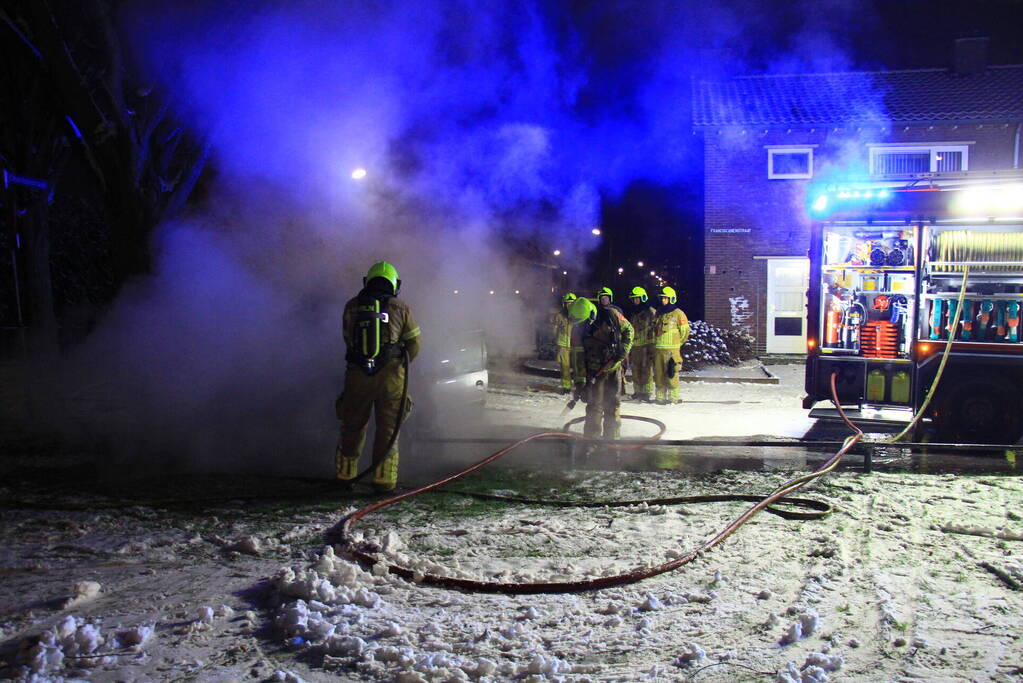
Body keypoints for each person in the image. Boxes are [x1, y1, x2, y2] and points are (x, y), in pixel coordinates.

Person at [335, 261, 421, 492]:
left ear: (367, 281)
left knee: (352, 424)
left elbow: (347, 339)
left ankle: (345, 476)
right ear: (395, 284)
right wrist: (399, 363)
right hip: (391, 377)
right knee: (388, 428)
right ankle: (383, 481)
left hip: (357, 375)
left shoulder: (351, 306)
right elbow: (414, 343)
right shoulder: (401, 308)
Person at [568, 295, 634, 440]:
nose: (583, 326)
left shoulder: (612, 315)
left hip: (613, 368)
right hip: (594, 373)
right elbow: (578, 358)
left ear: (592, 314)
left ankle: (612, 440)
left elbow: (629, 330)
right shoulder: (578, 329)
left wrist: (623, 350)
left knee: (612, 404)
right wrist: (580, 383)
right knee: (594, 406)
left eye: (585, 322)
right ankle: (591, 440)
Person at [651, 285, 690, 405]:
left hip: (672, 351)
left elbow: (685, 332)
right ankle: (660, 398)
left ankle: (674, 398)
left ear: (671, 299)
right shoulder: (658, 313)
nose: (663, 300)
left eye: (665, 298)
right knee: (659, 375)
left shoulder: (679, 313)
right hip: (658, 350)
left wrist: (677, 344)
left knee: (672, 374)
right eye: (662, 298)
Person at [627, 286, 656, 402]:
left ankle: (647, 392)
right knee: (635, 369)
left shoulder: (650, 312)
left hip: (646, 346)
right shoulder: (634, 313)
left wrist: (652, 346)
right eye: (634, 299)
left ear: (643, 298)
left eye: (637, 298)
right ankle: (637, 391)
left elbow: (654, 328)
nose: (635, 301)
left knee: (646, 370)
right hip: (635, 346)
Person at [551, 292, 577, 394]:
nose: (569, 305)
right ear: (564, 304)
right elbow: (554, 330)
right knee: (565, 367)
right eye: (567, 303)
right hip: (562, 345)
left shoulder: (578, 315)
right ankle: (567, 387)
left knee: (578, 367)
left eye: (571, 303)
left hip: (575, 344)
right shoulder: (559, 316)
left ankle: (580, 387)